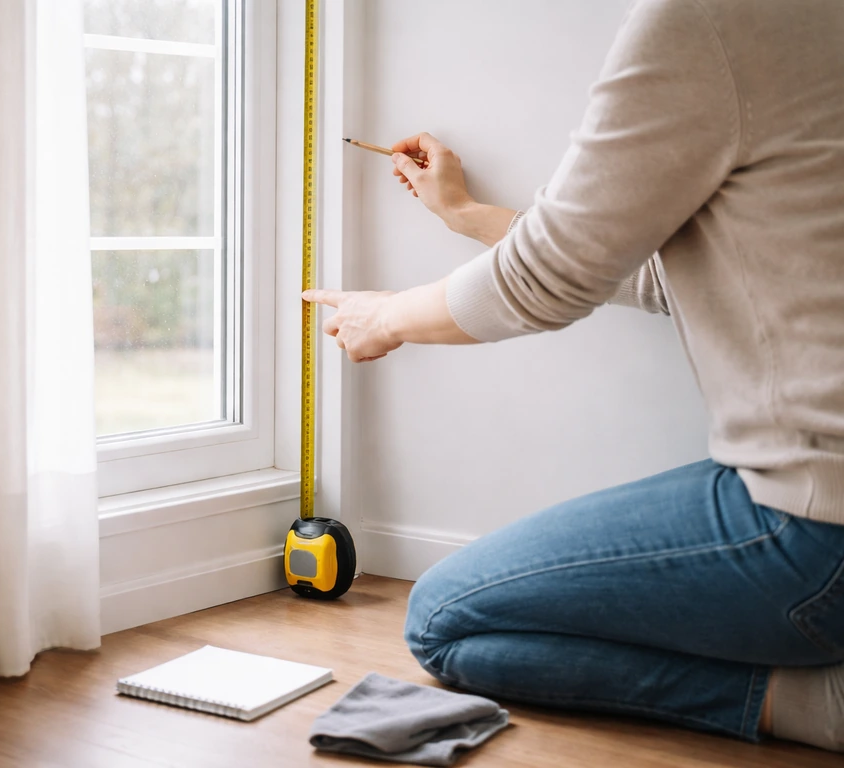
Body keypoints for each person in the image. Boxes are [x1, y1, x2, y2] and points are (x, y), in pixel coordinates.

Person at [303, 0, 844, 753]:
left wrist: (386, 317)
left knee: (443, 621)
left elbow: (550, 278)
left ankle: (815, 704)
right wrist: (468, 216)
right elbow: (679, 275)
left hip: (817, 534)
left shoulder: (709, 20)